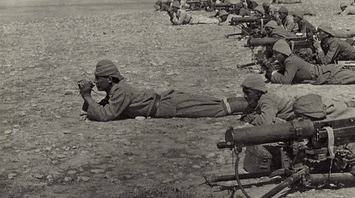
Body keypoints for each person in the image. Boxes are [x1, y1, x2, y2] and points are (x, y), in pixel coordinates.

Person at [78, 60, 247, 121]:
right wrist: (87, 98)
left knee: (217, 108)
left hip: (167, 105)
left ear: (109, 79)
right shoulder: (115, 90)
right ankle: (251, 102)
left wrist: (87, 95)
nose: (95, 81)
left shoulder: (120, 91)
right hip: (167, 101)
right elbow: (102, 107)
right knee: (215, 103)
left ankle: (253, 103)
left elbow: (106, 115)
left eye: (97, 78)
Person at [240, 75, 355, 125]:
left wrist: (254, 119)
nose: (245, 96)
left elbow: (267, 122)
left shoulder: (266, 100)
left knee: (343, 113)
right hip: (308, 105)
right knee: (340, 108)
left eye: (248, 93)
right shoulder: (263, 97)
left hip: (310, 107)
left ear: (258, 91)